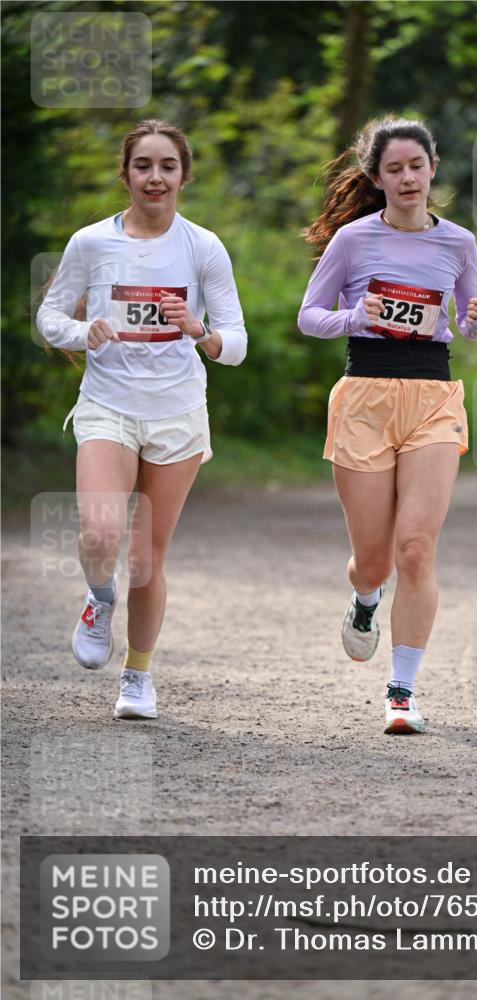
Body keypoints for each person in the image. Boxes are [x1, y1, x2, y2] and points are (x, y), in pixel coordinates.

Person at [37, 119, 247, 720]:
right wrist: (85, 330)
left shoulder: (203, 247)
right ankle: (98, 599)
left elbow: (237, 344)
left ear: (184, 175)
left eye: (168, 167)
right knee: (101, 534)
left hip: (178, 413)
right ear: (126, 174)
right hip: (108, 405)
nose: (155, 178)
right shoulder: (91, 243)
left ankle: (137, 677)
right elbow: (50, 317)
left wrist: (199, 330)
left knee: (148, 557)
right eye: (143, 166)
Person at [298, 115, 477, 735]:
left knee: (416, 548)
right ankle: (363, 598)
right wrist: (358, 315)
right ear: (377, 179)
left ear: (433, 168)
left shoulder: (459, 242)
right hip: (365, 398)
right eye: (394, 169)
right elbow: (309, 316)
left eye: (417, 166)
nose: (407, 177)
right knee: (375, 560)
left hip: (433, 395)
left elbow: (465, 322)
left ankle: (402, 690)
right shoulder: (353, 240)